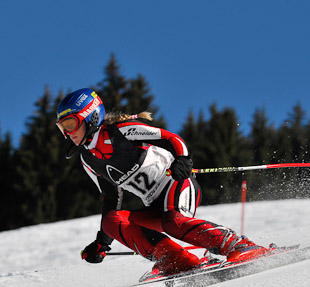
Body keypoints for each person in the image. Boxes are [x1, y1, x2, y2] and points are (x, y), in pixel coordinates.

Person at [56, 88, 269, 277]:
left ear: (90, 117)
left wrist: (182, 159)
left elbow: (171, 138)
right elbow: (111, 198)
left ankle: (237, 244)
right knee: (111, 220)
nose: (67, 133)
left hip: (176, 183)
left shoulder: (120, 131)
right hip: (154, 205)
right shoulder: (88, 160)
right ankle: (176, 260)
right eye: (62, 128)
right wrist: (102, 242)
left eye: (70, 124)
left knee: (173, 222)